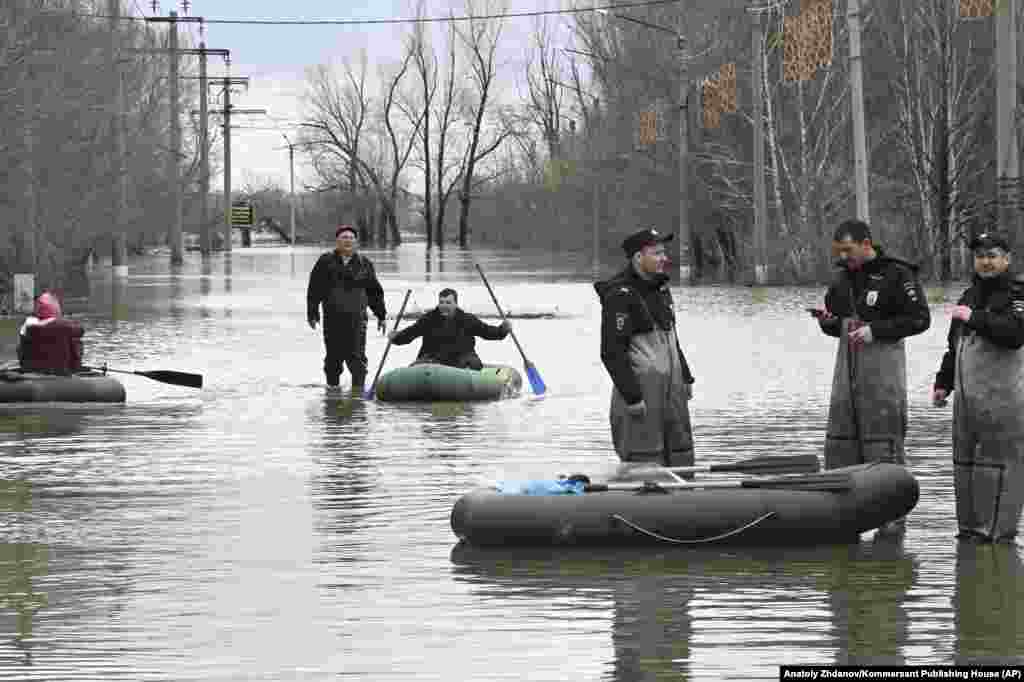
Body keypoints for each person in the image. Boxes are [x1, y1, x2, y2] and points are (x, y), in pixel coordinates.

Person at [812, 219, 930, 471]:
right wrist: (827, 321)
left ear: (866, 244)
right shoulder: (841, 280)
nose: (844, 256)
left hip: (882, 387)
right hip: (845, 388)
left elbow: (920, 320)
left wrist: (875, 331)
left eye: (848, 249)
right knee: (839, 455)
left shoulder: (898, 274)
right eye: (839, 251)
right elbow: (839, 326)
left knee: (883, 457)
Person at [931, 231, 1024, 544]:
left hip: (1004, 402)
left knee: (999, 469)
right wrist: (943, 384)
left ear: (1006, 259)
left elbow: (1015, 334)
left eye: (992, 254)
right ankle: (970, 539)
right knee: (965, 468)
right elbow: (953, 347)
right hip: (967, 404)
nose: (985, 261)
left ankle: (998, 540)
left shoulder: (1018, 293)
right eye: (980, 255)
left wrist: (976, 318)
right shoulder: (968, 295)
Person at [594, 228, 696, 468]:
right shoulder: (620, 294)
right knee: (645, 459)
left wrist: (686, 377)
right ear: (639, 258)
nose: (664, 258)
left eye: (664, 253)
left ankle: (688, 498)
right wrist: (632, 397)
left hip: (672, 390)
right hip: (642, 395)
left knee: (681, 454)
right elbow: (611, 351)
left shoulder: (661, 288)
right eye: (657, 253)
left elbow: (671, 337)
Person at [306, 225, 387, 391]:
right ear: (337, 241)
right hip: (332, 319)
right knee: (333, 359)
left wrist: (381, 315)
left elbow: (374, 292)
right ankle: (332, 395)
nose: (348, 240)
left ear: (356, 242)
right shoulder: (325, 261)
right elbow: (314, 290)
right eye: (344, 237)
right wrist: (312, 313)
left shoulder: (365, 263)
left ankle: (358, 397)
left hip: (357, 320)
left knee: (357, 359)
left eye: (351, 237)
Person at [387, 288, 511, 370]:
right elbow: (411, 333)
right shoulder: (428, 319)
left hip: (461, 359)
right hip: (434, 360)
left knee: (472, 363)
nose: (444, 306)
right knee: (420, 365)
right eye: (442, 302)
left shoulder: (467, 319)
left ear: (456, 304)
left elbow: (488, 332)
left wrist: (503, 330)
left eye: (448, 302)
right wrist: (396, 337)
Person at [16, 290, 84, 373]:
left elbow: (20, 350)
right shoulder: (68, 326)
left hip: (31, 370)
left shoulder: (27, 324)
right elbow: (81, 331)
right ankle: (74, 369)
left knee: (21, 344)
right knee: (75, 341)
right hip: (61, 371)